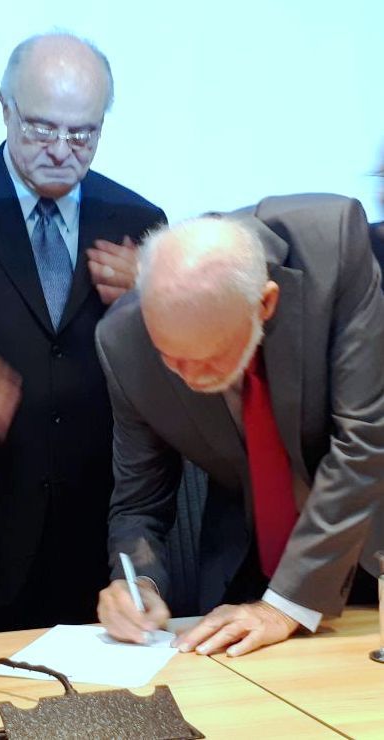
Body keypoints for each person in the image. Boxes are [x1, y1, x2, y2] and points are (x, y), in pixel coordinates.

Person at [0, 32, 165, 636]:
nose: (62, 151)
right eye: (42, 129)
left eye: (83, 134)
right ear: (5, 108)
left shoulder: (138, 221)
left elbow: (169, 374)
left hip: (95, 536)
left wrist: (153, 294)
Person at [95, 194, 384, 656]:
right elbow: (139, 502)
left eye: (211, 357)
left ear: (265, 304)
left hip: (369, 552)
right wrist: (137, 581)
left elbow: (365, 438)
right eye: (172, 357)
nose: (191, 377)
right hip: (250, 575)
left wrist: (285, 606)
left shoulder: (330, 245)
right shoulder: (124, 342)